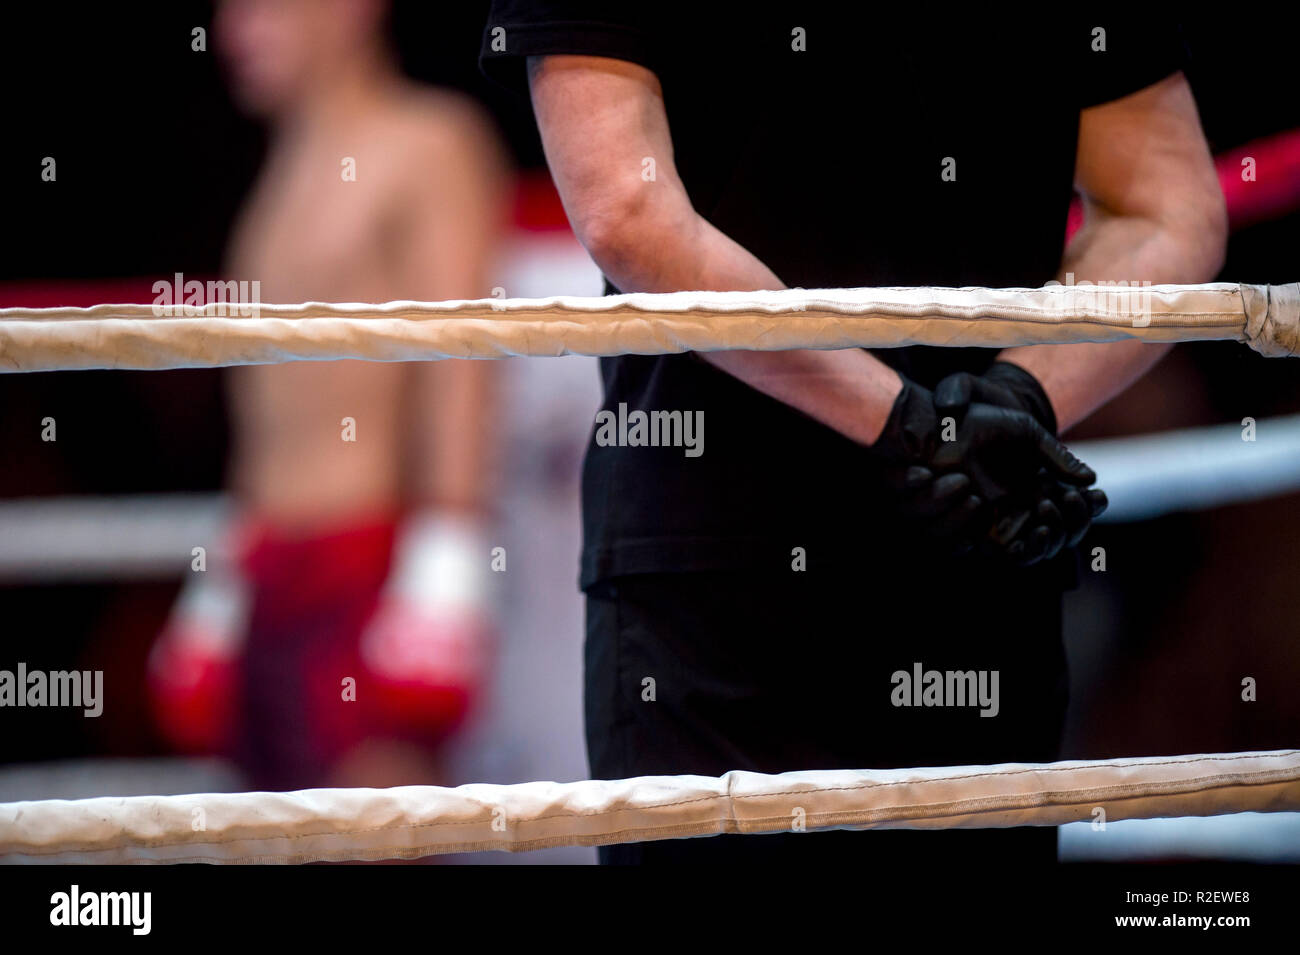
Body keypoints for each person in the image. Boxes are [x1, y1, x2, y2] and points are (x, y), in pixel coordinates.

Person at [482, 6, 1227, 863]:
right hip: (955, 515)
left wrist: (944, 420)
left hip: (839, 541)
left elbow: (626, 208)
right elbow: (1166, 212)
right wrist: (981, 415)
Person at [148, 0, 509, 791]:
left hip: (364, 567)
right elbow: (268, 411)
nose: (237, 29)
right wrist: (220, 591)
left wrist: (444, 572)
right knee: (270, 845)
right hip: (271, 565)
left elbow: (460, 366)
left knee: (367, 841)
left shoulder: (429, 142)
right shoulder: (278, 174)